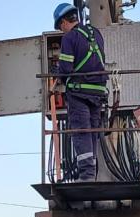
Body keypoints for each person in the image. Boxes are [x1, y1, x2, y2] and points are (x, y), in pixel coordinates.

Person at [53, 3, 109, 182]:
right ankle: (91, 173)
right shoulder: (96, 34)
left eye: (60, 28)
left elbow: (67, 68)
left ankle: (86, 175)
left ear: (63, 22)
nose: (62, 31)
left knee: (81, 131)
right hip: (98, 92)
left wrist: (58, 73)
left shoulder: (70, 38)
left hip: (79, 93)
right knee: (92, 131)